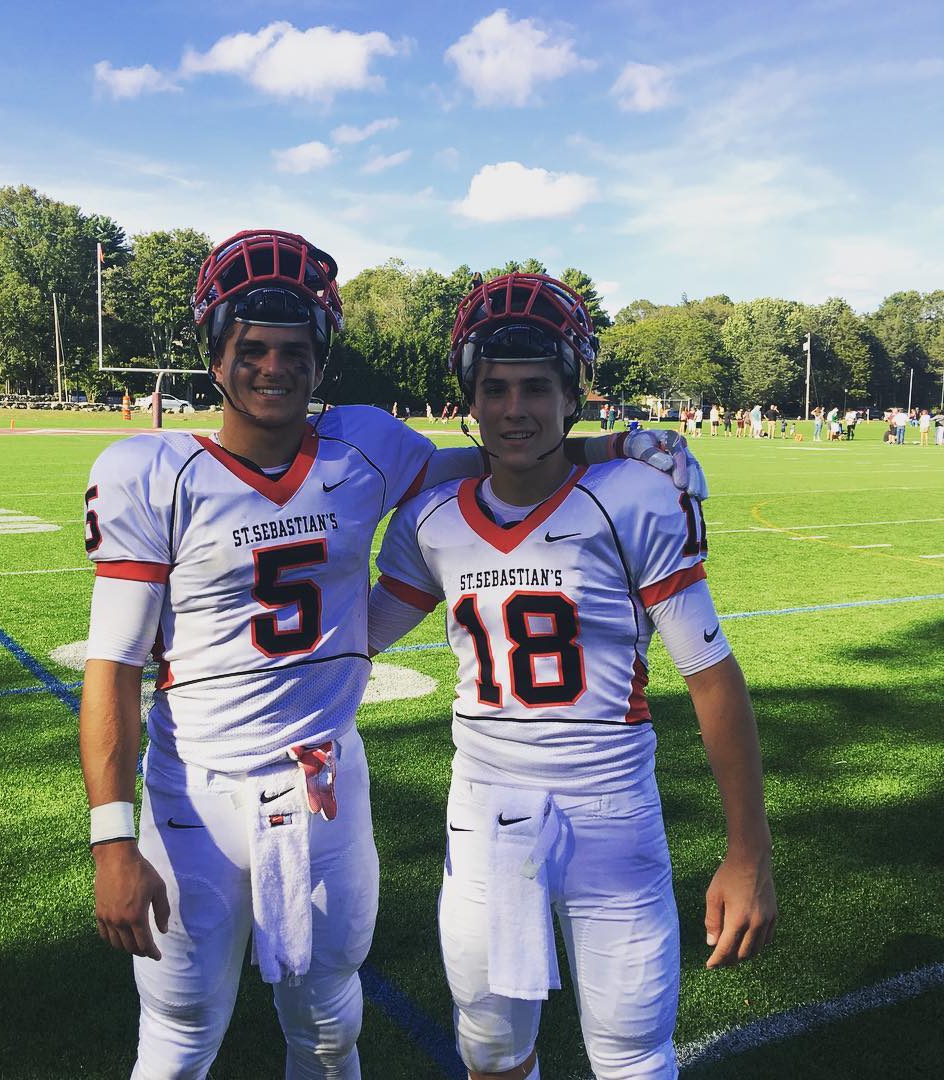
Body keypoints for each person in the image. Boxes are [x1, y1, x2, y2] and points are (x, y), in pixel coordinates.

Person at [79, 235, 705, 1080]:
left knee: (331, 1022)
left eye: (294, 351)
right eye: (253, 349)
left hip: (323, 778)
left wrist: (615, 448)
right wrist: (112, 840)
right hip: (195, 788)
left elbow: (493, 455)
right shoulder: (149, 470)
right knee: (181, 1027)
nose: (275, 368)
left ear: (321, 356)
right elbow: (112, 666)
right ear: (216, 355)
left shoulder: (362, 445)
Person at [368, 272, 775, 1080]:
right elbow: (357, 637)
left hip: (611, 810)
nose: (514, 407)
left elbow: (711, 675)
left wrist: (748, 850)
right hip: (485, 809)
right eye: (495, 388)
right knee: (490, 1049)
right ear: (469, 397)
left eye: (536, 387)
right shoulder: (433, 520)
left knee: (632, 1054)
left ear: (572, 392)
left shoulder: (632, 501)